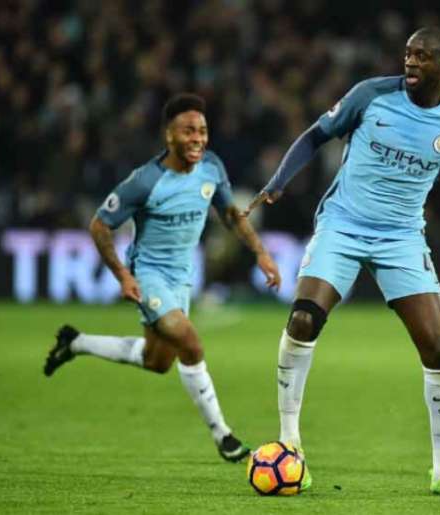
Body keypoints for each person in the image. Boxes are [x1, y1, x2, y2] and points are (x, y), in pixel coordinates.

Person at [245, 27, 440, 497]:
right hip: (343, 224)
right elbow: (316, 136)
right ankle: (291, 444)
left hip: (400, 237)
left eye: (422, 56)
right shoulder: (370, 96)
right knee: (302, 319)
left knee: (438, 348)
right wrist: (279, 181)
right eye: (408, 54)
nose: (411, 62)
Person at [44, 93, 281, 462]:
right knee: (191, 344)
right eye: (188, 131)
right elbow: (99, 225)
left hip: (182, 278)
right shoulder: (146, 181)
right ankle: (224, 436)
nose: (198, 138)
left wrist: (261, 252)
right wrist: (123, 276)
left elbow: (231, 214)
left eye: (202, 131)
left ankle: (76, 342)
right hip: (149, 275)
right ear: (168, 135)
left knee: (158, 362)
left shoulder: (211, 168)